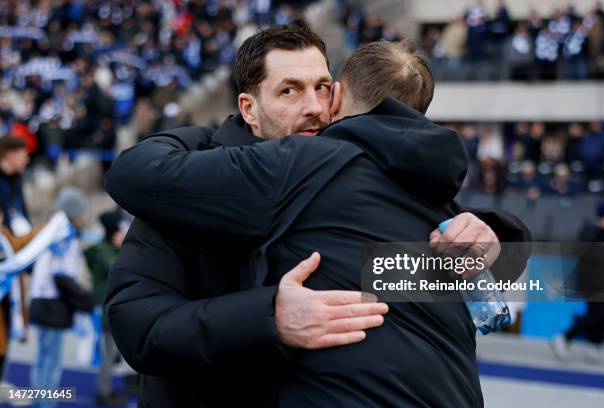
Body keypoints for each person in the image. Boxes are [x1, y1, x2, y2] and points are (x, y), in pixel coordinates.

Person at [106, 32, 530, 406]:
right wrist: (268, 317)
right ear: (249, 109)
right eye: (290, 91)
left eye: (322, 88)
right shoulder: (180, 196)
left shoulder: (353, 174)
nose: (314, 107)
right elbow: (139, 326)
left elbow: (425, 267)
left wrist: (496, 239)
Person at [29, 187, 95, 408]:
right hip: (51, 304)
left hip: (42, 301)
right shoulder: (64, 234)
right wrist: (85, 300)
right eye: (82, 212)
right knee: (51, 361)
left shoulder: (53, 229)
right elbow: (62, 275)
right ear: (73, 212)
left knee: (42, 358)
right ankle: (45, 404)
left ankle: (39, 401)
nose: (85, 217)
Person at [551, 200, 604, 362]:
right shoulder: (591, 231)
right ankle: (564, 337)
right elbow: (588, 254)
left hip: (603, 282)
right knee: (598, 313)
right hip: (591, 281)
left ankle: (594, 345)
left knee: (603, 313)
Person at [84, 211, 130, 406]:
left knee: (114, 353)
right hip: (108, 313)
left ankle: (108, 387)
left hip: (115, 310)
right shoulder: (106, 254)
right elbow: (124, 271)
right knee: (108, 355)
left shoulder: (111, 251)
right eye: (121, 233)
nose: (124, 237)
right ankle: (103, 391)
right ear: (112, 234)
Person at [0, 136, 30, 379]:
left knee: (8, 326)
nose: (27, 158)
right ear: (9, 154)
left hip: (12, 264)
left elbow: (22, 216)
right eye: (23, 153)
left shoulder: (17, 181)